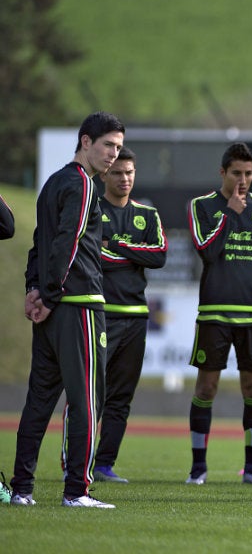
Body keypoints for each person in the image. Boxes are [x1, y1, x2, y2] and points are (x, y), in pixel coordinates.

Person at [9, 111, 124, 508]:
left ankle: (21, 490)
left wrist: (34, 291)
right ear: (85, 141)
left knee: (39, 401)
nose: (113, 155)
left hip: (54, 308)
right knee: (88, 400)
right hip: (79, 307)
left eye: (119, 148)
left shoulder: (52, 183)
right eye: (108, 145)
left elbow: (39, 245)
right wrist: (52, 294)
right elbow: (68, 243)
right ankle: (77, 491)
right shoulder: (84, 184)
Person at [186, 142, 252, 486]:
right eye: (236, 173)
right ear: (222, 173)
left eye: (249, 174)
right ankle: (198, 468)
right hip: (214, 313)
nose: (243, 180)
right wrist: (229, 212)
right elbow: (207, 253)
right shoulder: (203, 207)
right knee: (206, 387)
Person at [89, 147, 167, 482]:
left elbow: (160, 255)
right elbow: (95, 256)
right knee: (91, 393)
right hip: (101, 312)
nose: (125, 179)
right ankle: (77, 461)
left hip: (136, 316)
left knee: (121, 396)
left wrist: (118, 246)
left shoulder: (148, 216)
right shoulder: (93, 210)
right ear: (106, 175)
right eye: (118, 173)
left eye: (130, 173)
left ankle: (105, 464)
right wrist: (135, 254)